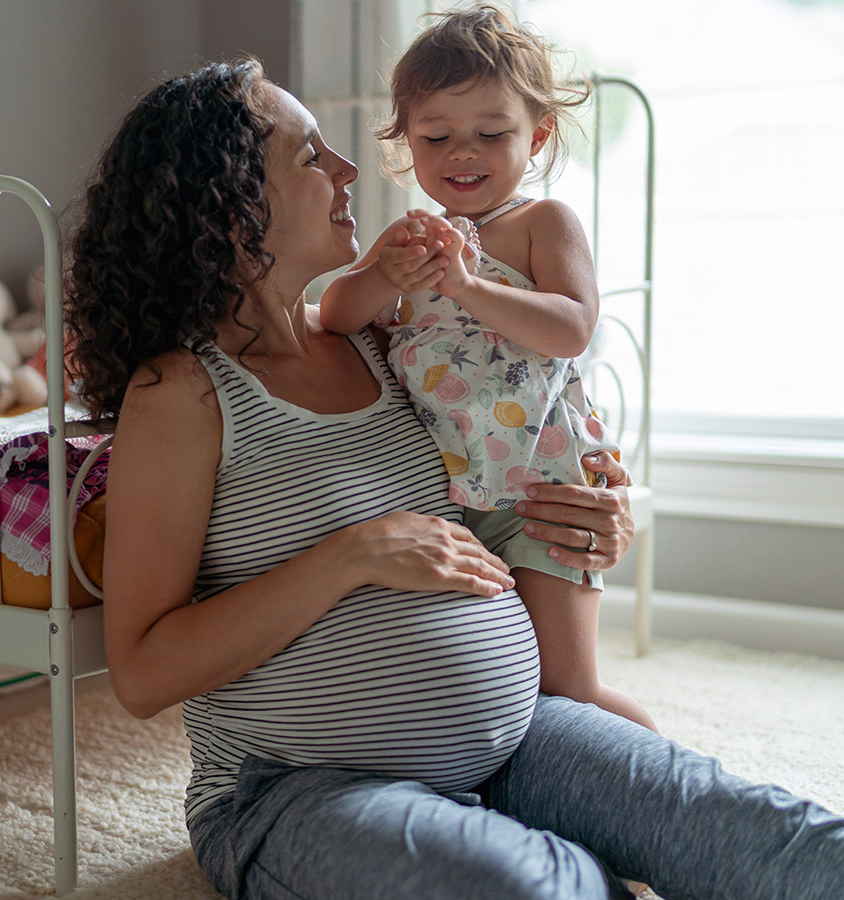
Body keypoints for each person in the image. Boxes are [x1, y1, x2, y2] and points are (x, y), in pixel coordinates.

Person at [64, 57, 844, 900]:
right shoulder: (182, 393)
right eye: (312, 155)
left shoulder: (381, 338)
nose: (352, 167)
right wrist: (349, 557)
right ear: (233, 201)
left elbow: (494, 472)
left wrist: (582, 514)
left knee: (752, 828)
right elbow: (145, 673)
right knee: (510, 884)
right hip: (301, 789)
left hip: (523, 738)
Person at [319, 5, 653, 731]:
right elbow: (337, 314)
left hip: (544, 487)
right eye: (436, 136)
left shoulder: (543, 223)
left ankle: (664, 780)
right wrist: (388, 276)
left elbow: (572, 327)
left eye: (491, 133)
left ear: (536, 135)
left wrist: (468, 286)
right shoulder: (409, 239)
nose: (462, 153)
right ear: (407, 143)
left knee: (568, 691)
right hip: (442, 500)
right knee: (483, 689)